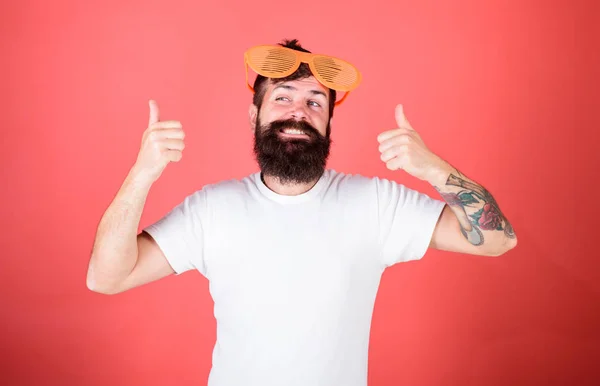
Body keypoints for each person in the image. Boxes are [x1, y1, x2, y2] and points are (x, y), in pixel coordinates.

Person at [87, 39, 517, 386]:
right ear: (254, 113)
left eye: (316, 102)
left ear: (329, 123)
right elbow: (107, 277)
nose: (299, 112)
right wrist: (142, 174)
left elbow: (498, 241)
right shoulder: (213, 208)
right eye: (283, 97)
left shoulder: (376, 204)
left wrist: (434, 169)